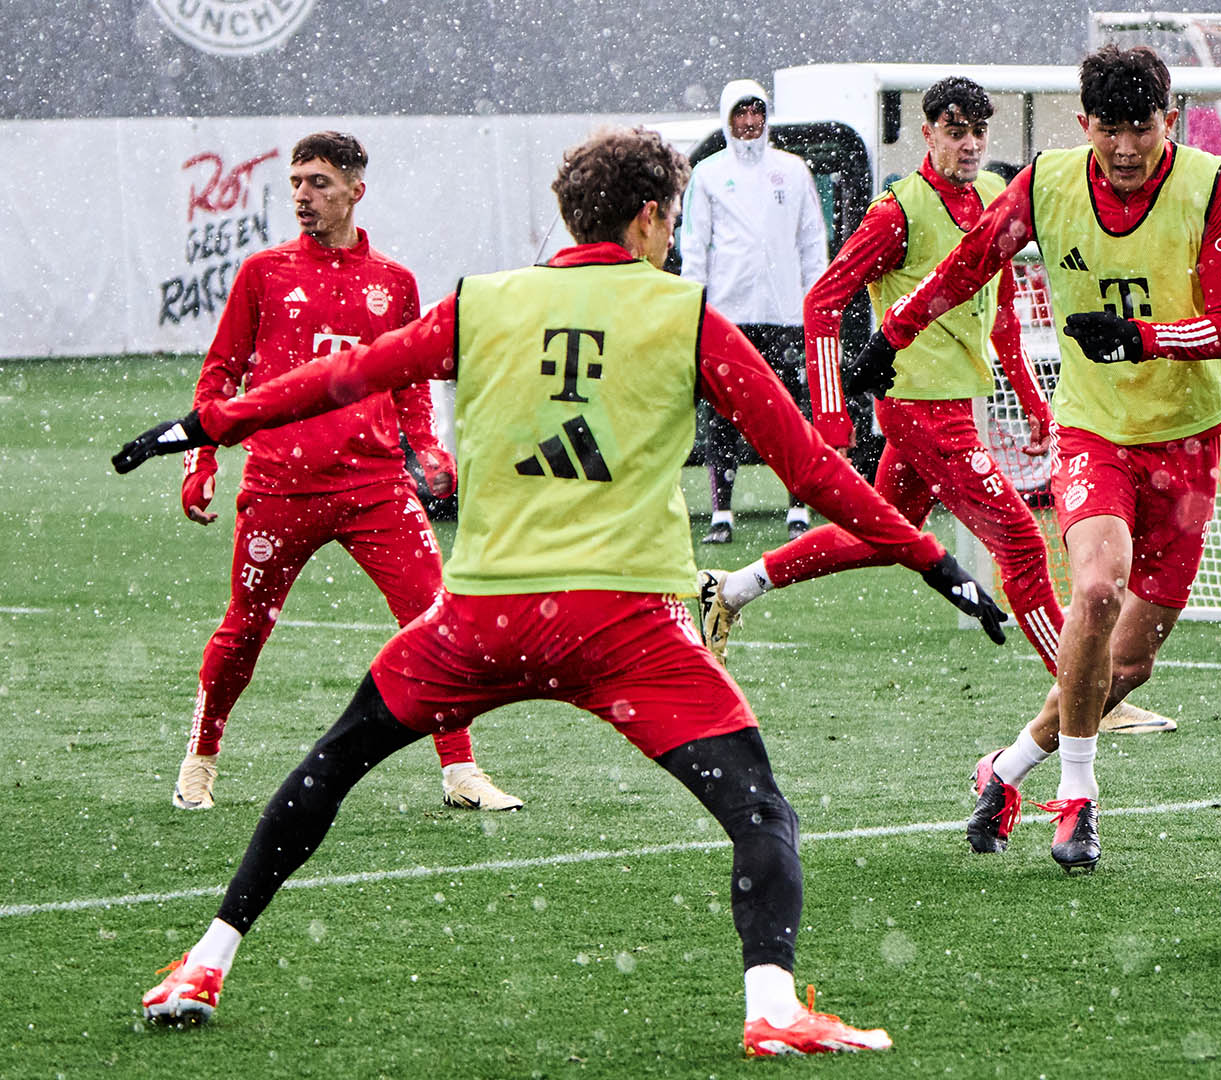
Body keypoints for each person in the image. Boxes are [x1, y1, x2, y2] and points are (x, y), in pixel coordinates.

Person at [117, 124, 1007, 1053]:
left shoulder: (481, 302)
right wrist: (933, 560)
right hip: (622, 630)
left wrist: (205, 426)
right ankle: (772, 1007)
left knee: (330, 766)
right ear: (653, 218)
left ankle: (206, 958)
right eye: (673, 220)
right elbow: (816, 472)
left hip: (481, 621)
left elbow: (339, 377)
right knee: (759, 811)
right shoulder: (686, 315)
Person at [845, 46, 1221, 869]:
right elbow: (969, 265)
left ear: (1169, 121)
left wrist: (1140, 338)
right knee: (1096, 589)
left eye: (1143, 127)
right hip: (1093, 431)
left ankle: (1008, 768)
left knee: (1129, 664)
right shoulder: (1046, 183)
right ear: (1085, 126)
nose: (1128, 148)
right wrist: (893, 332)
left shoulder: (1216, 186)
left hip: (1188, 439)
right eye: (1111, 130)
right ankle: (1078, 801)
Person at [693, 77, 1177, 740]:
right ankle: (1089, 698)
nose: (970, 144)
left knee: (883, 535)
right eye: (955, 131)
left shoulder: (990, 198)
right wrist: (832, 415)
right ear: (928, 135)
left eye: (979, 130)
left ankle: (732, 587)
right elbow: (823, 301)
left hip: (955, 407)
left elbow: (1001, 311)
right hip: (920, 413)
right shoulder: (898, 211)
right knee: (1022, 545)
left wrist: (1030, 398)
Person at [171, 130, 521, 814]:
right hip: (280, 486)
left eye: (319, 183)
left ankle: (460, 773)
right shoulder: (263, 274)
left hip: (375, 488)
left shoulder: (393, 282)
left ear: (356, 190)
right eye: (297, 182)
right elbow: (219, 375)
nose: (303, 195)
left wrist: (427, 448)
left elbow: (413, 379)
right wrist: (202, 457)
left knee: (438, 619)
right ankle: (200, 761)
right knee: (245, 630)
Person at [682, 80, 829, 544]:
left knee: (789, 412)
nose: (749, 123)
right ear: (727, 120)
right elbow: (695, 248)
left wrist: (816, 304)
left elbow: (811, 242)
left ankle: (798, 507)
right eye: (740, 115)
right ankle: (722, 513)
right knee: (724, 414)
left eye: (756, 114)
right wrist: (694, 308)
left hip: (785, 314)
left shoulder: (792, 169)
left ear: (766, 118)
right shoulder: (707, 173)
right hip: (728, 316)